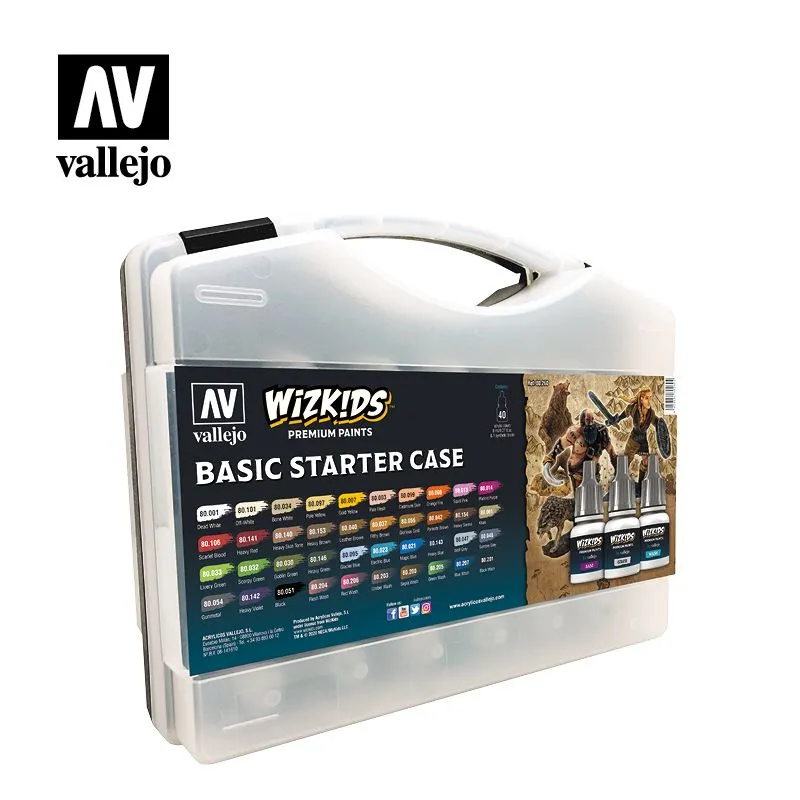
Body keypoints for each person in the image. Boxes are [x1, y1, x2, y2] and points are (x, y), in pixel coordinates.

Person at [543, 409, 616, 489]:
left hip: (593, 475)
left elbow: (612, 453)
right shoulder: (575, 432)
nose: (591, 423)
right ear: (582, 421)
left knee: (590, 494)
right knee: (578, 494)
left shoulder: (602, 433)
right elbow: (558, 447)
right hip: (577, 474)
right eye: (587, 420)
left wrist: (618, 471)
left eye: (592, 419)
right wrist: (549, 461)